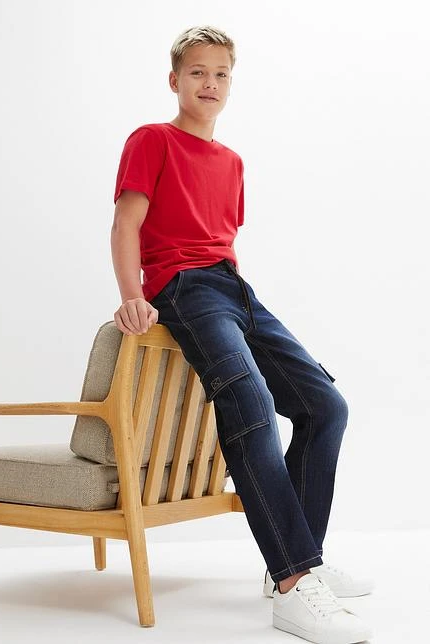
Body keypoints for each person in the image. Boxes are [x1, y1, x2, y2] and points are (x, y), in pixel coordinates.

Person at [110, 25, 374, 644]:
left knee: (326, 406)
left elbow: (220, 240)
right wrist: (131, 297)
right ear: (174, 80)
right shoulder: (152, 139)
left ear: (231, 83)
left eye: (221, 73)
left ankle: (299, 558)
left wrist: (237, 298)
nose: (210, 83)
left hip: (234, 288)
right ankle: (293, 582)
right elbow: (125, 224)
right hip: (183, 287)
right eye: (197, 72)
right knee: (251, 404)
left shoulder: (232, 163)